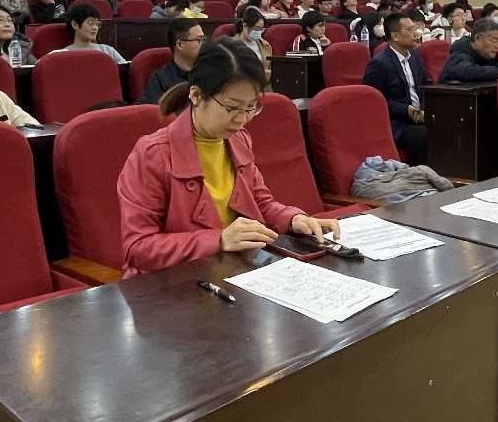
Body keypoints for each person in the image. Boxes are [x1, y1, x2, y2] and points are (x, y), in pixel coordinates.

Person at [118, 38, 340, 277]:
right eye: (232, 108)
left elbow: (260, 202)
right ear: (196, 94)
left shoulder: (238, 139)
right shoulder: (153, 154)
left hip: (232, 272)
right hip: (173, 283)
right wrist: (219, 239)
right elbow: (138, 247)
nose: (241, 120)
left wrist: (293, 218)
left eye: (250, 108)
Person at [363, 12, 431, 161]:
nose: (415, 34)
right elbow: (373, 102)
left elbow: (426, 85)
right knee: (428, 136)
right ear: (395, 36)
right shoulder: (379, 64)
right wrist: (406, 110)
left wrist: (427, 109)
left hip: (421, 116)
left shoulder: (415, 56)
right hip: (398, 123)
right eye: (410, 30)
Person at [141, 18, 204, 104]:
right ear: (180, 45)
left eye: (204, 40)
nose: (203, 45)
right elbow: (154, 110)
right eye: (199, 40)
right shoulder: (161, 78)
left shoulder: (209, 71)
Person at [439, 17, 498, 83]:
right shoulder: (460, 50)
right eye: (494, 40)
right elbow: (468, 71)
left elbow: (496, 69)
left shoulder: (488, 52)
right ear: (478, 38)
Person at [59, 3, 126, 63]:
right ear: (75, 24)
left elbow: (124, 68)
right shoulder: (63, 55)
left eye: (97, 24)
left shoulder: (108, 50)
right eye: (91, 23)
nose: (95, 28)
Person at [232, 7, 273, 87]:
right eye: (257, 28)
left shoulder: (265, 46)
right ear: (245, 26)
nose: (259, 32)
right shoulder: (232, 45)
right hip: (243, 86)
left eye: (262, 29)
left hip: (264, 86)